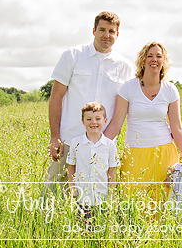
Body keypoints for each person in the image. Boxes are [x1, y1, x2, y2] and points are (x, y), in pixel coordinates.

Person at [47, 11, 133, 194]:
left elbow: (123, 108)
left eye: (111, 31)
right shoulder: (72, 56)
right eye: (102, 29)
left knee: (95, 198)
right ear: (93, 31)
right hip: (68, 140)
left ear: (117, 34)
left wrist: (108, 140)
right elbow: (56, 97)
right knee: (52, 194)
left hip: (103, 144)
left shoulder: (125, 67)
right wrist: (55, 137)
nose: (106, 35)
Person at [103, 42, 182, 208]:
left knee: (164, 204)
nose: (154, 59)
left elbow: (176, 128)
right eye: (150, 56)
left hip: (165, 155)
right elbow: (116, 124)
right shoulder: (128, 88)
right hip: (135, 154)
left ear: (164, 61)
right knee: (134, 206)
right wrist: (96, 146)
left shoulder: (170, 90)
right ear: (143, 60)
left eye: (158, 56)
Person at [66, 102, 119, 218]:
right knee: (82, 229)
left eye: (98, 119)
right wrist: (72, 188)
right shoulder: (76, 143)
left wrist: (111, 194)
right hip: (82, 196)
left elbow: (112, 171)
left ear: (105, 121)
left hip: (102, 197)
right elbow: (71, 167)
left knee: (100, 229)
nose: (93, 122)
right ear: (83, 122)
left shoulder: (110, 145)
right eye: (89, 119)